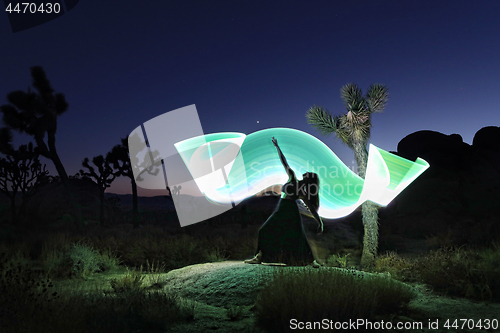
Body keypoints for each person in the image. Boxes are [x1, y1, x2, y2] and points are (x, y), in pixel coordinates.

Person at [244, 137, 323, 267]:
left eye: (308, 173)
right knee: (264, 230)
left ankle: (311, 261)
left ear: (309, 179)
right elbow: (284, 162)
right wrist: (277, 147)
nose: (306, 172)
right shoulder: (292, 176)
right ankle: (259, 256)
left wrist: (319, 222)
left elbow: (312, 209)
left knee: (297, 237)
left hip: (291, 211)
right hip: (281, 208)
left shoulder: (303, 192)